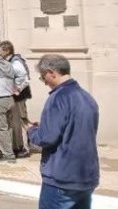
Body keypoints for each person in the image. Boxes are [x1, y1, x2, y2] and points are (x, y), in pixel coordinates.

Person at [27, 54, 99, 209]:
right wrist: (45, 125)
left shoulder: (58, 98)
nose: (44, 82)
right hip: (86, 176)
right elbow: (76, 129)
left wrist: (32, 131)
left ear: (52, 72)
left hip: (62, 178)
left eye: (43, 77)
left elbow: (47, 138)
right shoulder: (87, 97)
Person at [0, 40, 31, 158]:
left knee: (20, 121)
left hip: (18, 97)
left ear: (7, 51)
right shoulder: (7, 61)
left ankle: (24, 147)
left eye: (0, 50)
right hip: (11, 96)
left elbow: (24, 78)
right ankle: (16, 147)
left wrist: (16, 88)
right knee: (13, 122)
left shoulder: (15, 62)